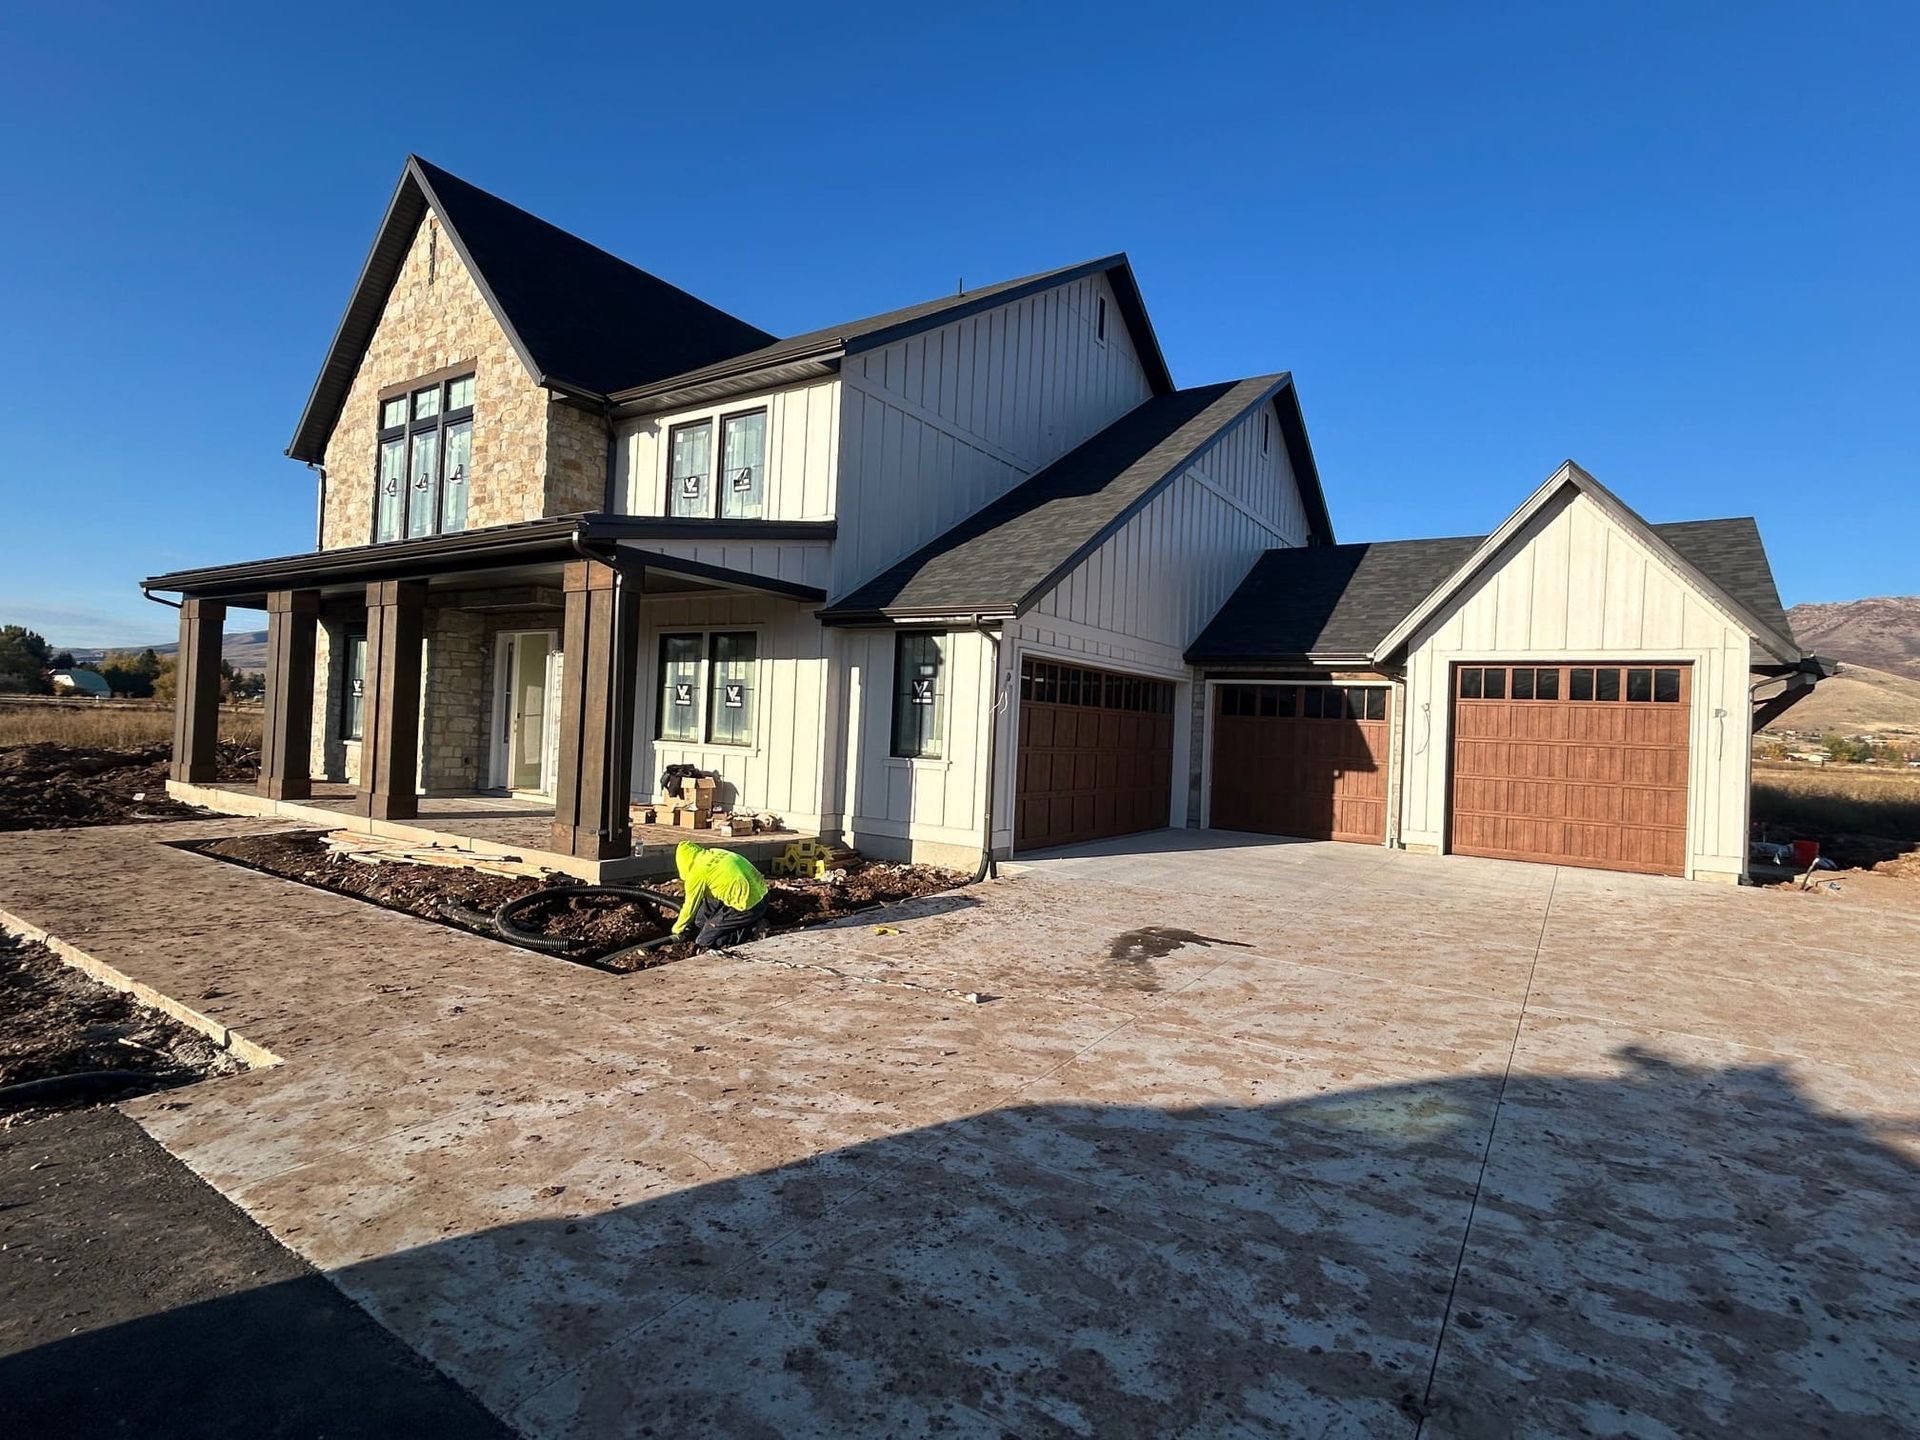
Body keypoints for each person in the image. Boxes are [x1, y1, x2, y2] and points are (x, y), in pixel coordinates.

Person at [671, 841, 771, 950]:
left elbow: (690, 906)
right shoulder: (714, 852)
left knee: (704, 941)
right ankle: (714, 929)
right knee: (700, 921)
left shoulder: (696, 873)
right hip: (762, 893)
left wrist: (677, 929)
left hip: (747, 906)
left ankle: (753, 930)